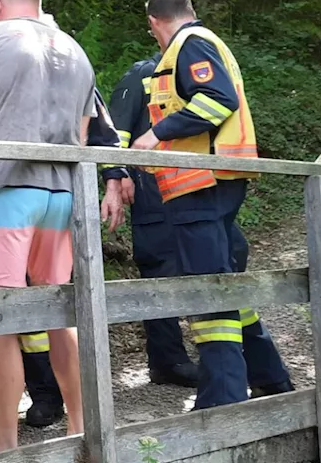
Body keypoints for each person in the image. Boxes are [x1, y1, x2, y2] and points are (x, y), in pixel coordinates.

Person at [0, 0, 98, 451]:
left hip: (4, 190)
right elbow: (82, 136)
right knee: (61, 313)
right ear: (36, 4)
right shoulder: (76, 50)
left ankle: (7, 447)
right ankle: (81, 431)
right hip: (63, 193)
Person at [130, 0, 293, 409]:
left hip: (202, 184)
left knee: (208, 288)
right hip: (212, 181)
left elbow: (218, 99)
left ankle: (221, 400)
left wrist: (156, 134)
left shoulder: (189, 44)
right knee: (225, 282)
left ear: (153, 23)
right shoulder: (202, 43)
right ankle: (271, 379)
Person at [108, 53, 201, 388]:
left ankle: (221, 356)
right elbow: (115, 131)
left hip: (196, 190)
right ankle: (168, 361)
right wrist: (118, 177)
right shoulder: (143, 74)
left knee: (216, 263)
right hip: (153, 191)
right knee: (159, 271)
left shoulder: (194, 74)